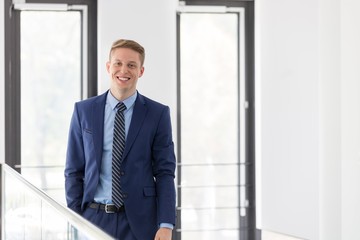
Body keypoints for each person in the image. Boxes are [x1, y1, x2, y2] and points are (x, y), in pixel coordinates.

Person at [64, 39, 176, 240]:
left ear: (141, 71)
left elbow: (165, 172)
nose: (123, 70)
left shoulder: (158, 114)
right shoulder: (84, 111)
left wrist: (166, 224)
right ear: (109, 67)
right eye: (118, 63)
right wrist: (75, 217)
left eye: (131, 65)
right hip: (93, 219)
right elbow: (73, 170)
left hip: (141, 222)